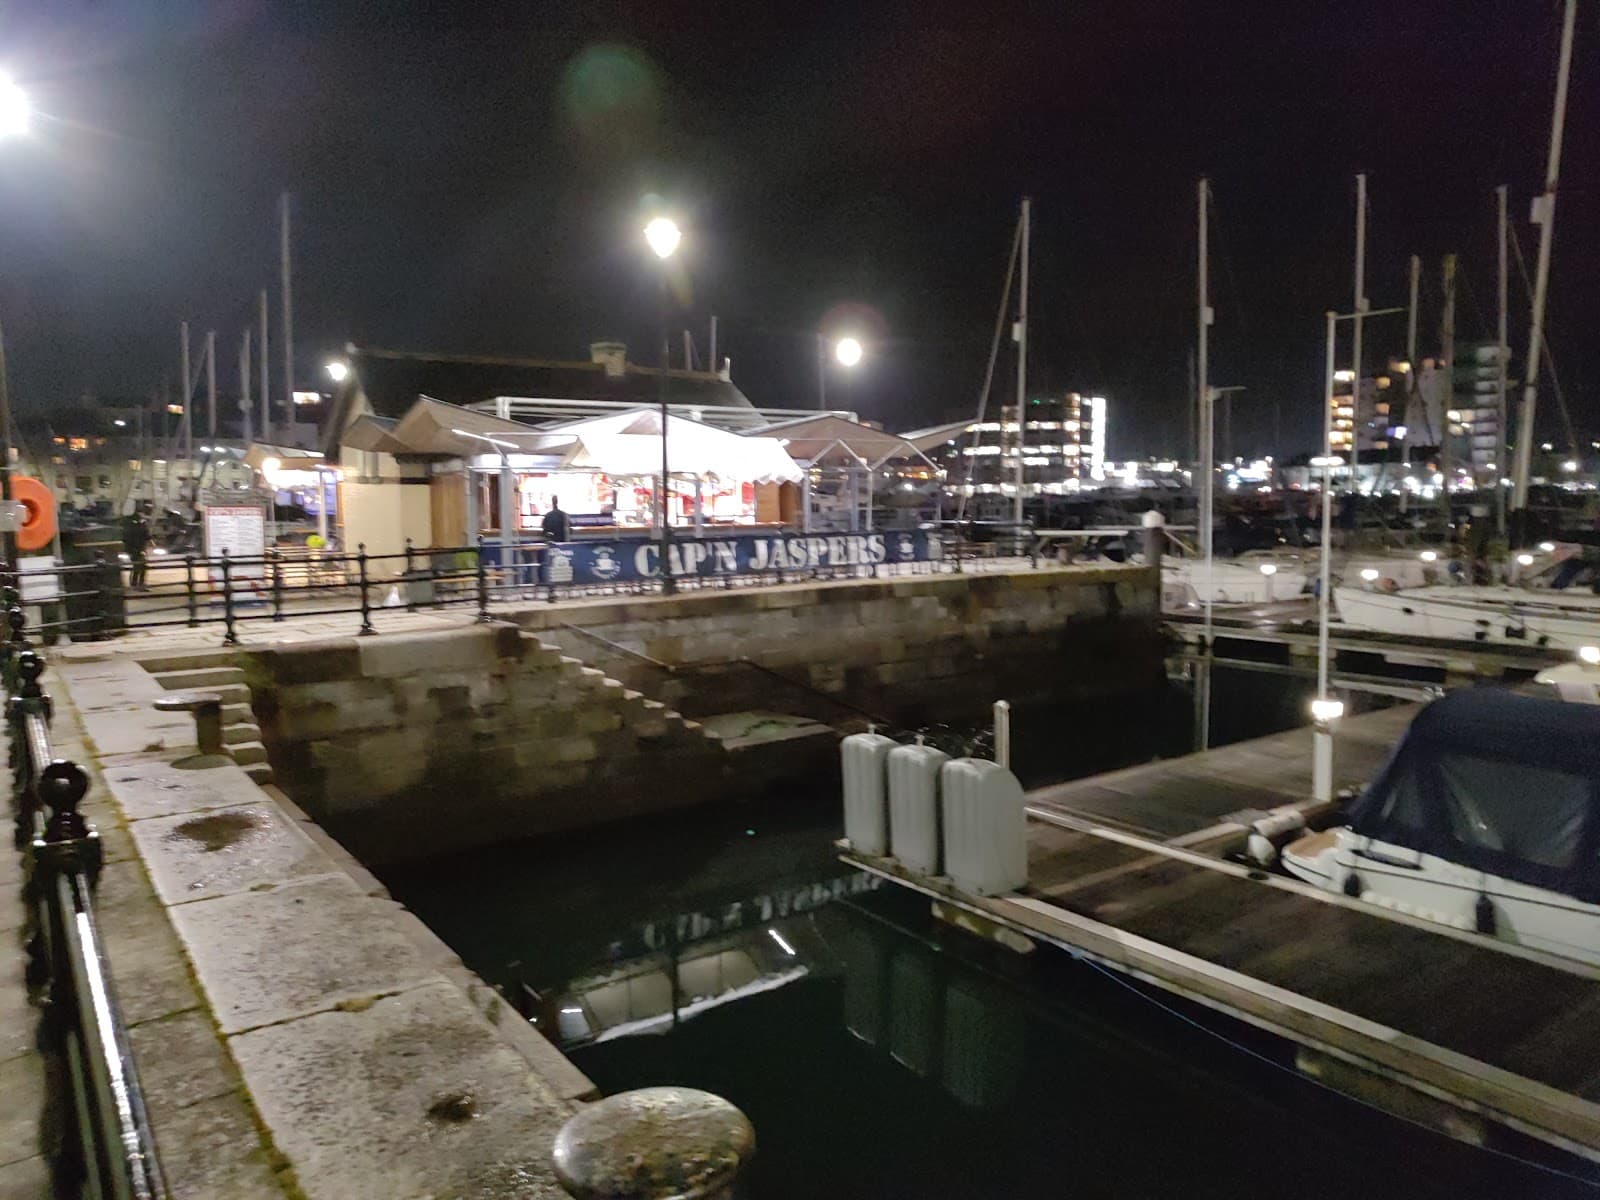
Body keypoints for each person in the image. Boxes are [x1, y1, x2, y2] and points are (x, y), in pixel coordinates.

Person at [122, 504, 153, 591]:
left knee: (140, 566)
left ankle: (137, 584)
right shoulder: (136, 523)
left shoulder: (136, 523)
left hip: (138, 547)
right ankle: (137, 584)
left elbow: (146, 534)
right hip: (136, 547)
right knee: (139, 566)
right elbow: (145, 534)